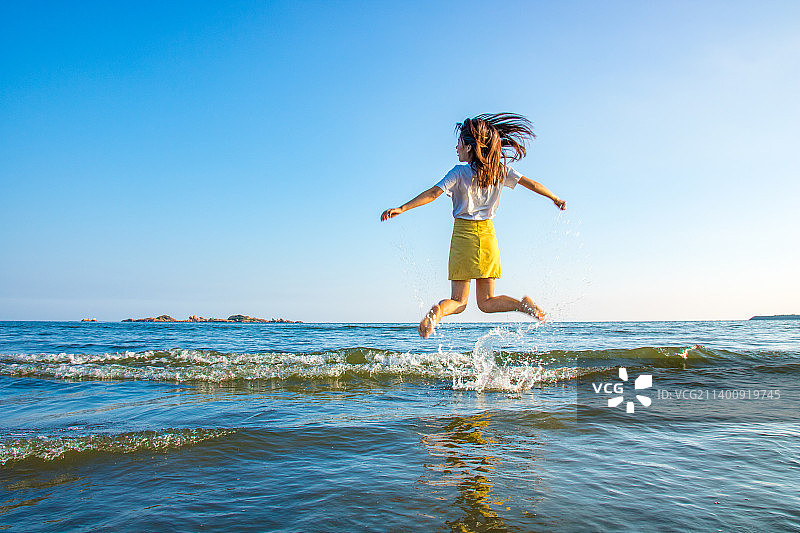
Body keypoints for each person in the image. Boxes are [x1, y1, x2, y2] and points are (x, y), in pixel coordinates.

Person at [381, 113, 566, 338]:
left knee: (458, 301)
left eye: (459, 144)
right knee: (486, 302)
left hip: (463, 236)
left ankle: (437, 313)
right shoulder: (499, 170)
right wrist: (555, 198)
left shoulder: (458, 172)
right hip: (488, 237)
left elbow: (433, 193)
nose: (456, 148)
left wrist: (402, 208)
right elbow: (533, 184)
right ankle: (524, 306)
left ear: (469, 147)